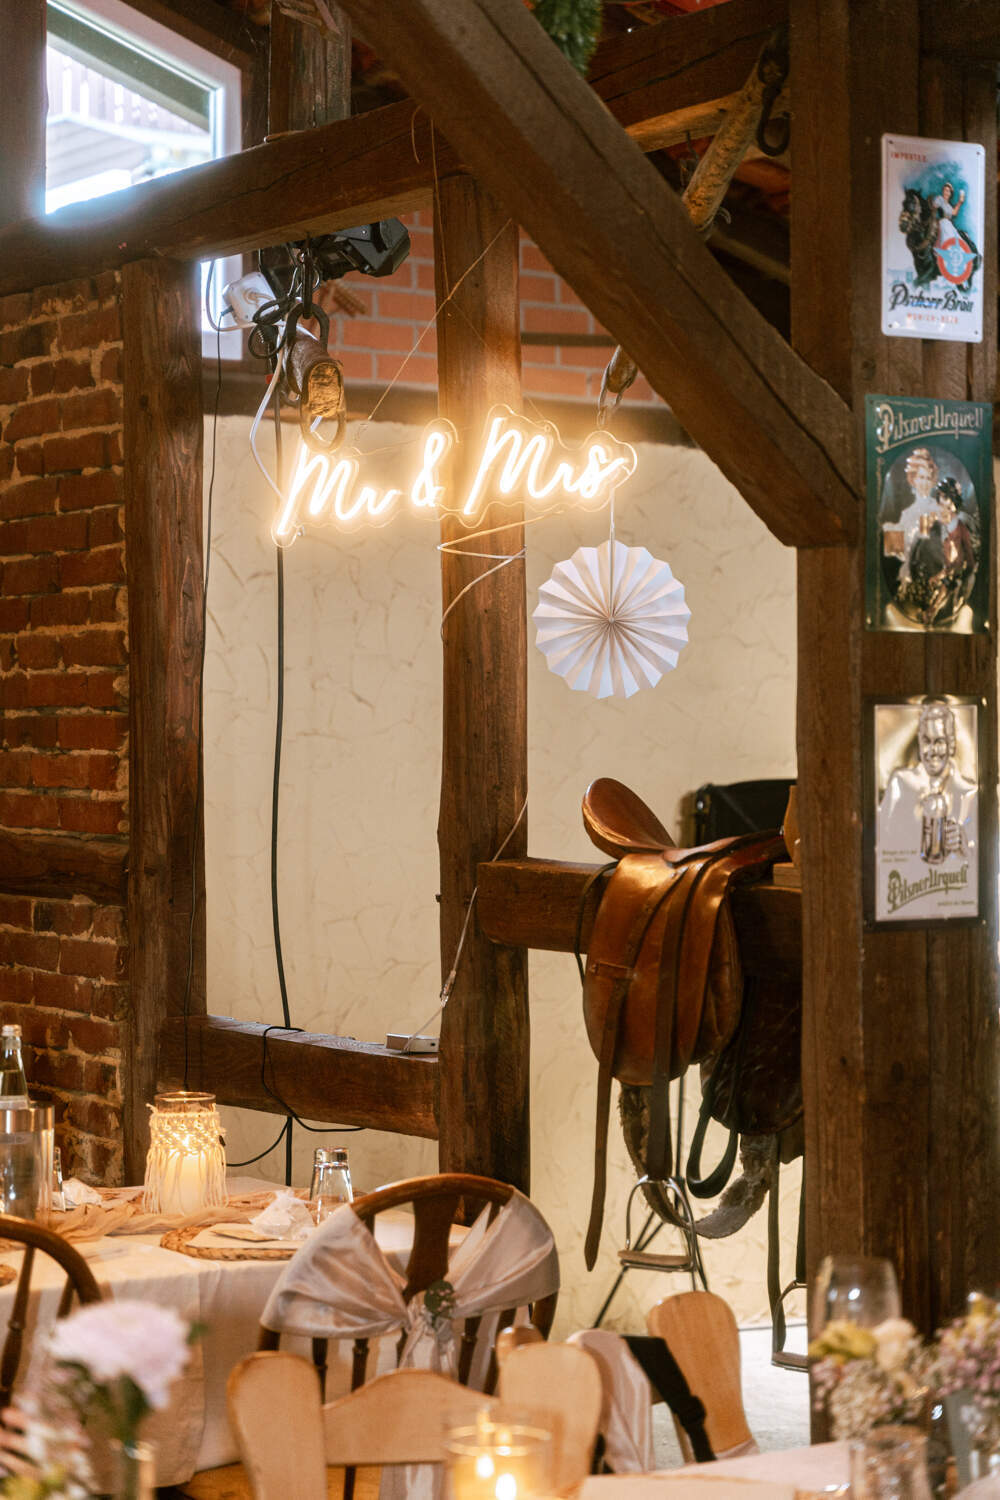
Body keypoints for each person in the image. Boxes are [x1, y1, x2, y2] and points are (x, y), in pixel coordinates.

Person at [878, 699, 977, 867]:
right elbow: (881, 849)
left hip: (952, 882)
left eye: (939, 742)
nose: (932, 751)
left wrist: (965, 850)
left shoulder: (969, 793)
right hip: (907, 879)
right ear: (919, 743)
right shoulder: (900, 783)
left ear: (951, 745)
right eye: (926, 741)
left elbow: (986, 866)